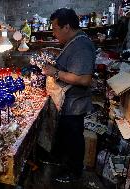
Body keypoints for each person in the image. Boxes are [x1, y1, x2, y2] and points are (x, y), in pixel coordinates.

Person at [41, 8, 96, 183]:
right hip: (69, 102)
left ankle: (74, 172)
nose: (54, 33)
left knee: (73, 138)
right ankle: (66, 164)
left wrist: (55, 72)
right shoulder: (74, 42)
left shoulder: (82, 44)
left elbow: (84, 78)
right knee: (68, 137)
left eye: (55, 29)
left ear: (66, 27)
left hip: (75, 104)